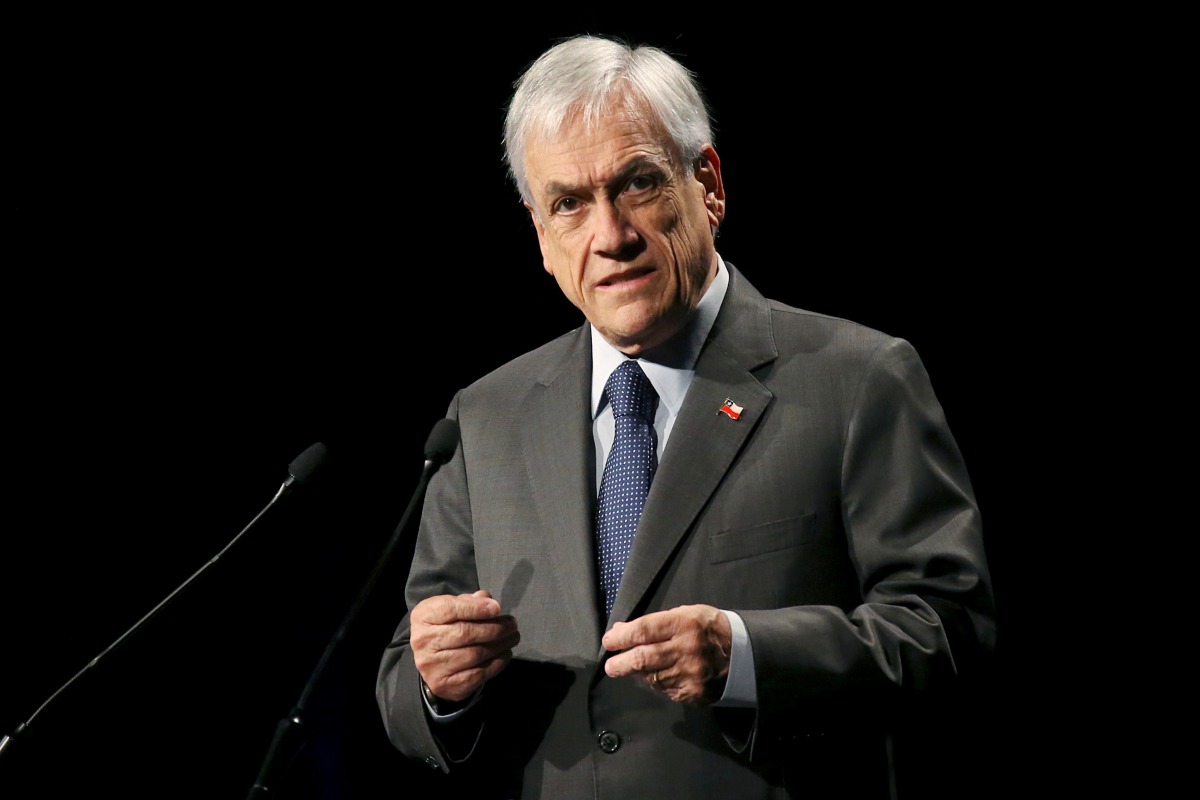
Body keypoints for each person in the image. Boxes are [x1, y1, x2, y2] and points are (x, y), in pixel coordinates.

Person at [376, 33, 996, 799]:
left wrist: (746, 655)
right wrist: (440, 687)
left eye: (637, 184)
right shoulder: (484, 418)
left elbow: (950, 630)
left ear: (708, 184)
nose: (610, 237)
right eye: (569, 203)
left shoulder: (858, 379)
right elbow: (406, 682)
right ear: (540, 234)